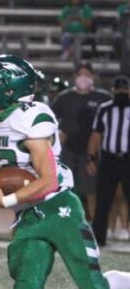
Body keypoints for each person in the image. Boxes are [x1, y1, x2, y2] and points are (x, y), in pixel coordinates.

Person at [0, 54, 130, 289]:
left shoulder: (32, 116)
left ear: (9, 88)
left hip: (58, 207)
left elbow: (45, 181)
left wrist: (5, 201)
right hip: (29, 214)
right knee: (26, 286)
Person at [51, 62, 111, 220]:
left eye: (87, 74)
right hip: (69, 149)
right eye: (80, 74)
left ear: (93, 77)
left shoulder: (103, 98)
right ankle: (65, 221)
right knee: (65, 187)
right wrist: (57, 133)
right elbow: (49, 119)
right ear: (74, 77)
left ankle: (94, 225)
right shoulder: (64, 98)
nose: (83, 78)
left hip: (92, 151)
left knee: (91, 190)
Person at [87, 75, 130, 247]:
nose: (121, 92)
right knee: (103, 200)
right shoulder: (104, 109)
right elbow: (96, 134)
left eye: (124, 89)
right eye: (118, 89)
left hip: (128, 160)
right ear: (113, 90)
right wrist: (91, 157)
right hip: (109, 159)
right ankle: (98, 239)